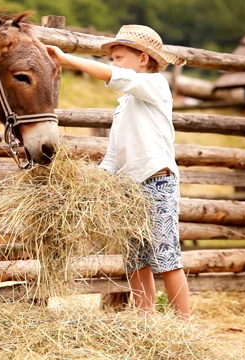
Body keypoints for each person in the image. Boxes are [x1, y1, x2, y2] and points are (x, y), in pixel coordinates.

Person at [46, 25, 190, 319]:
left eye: (120, 57)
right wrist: (92, 180)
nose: (115, 64)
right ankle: (145, 322)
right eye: (113, 58)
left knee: (166, 257)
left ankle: (184, 327)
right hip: (130, 189)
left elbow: (117, 77)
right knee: (136, 259)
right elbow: (113, 154)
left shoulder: (155, 84)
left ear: (143, 59)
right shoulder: (125, 104)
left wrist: (66, 58)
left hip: (157, 183)